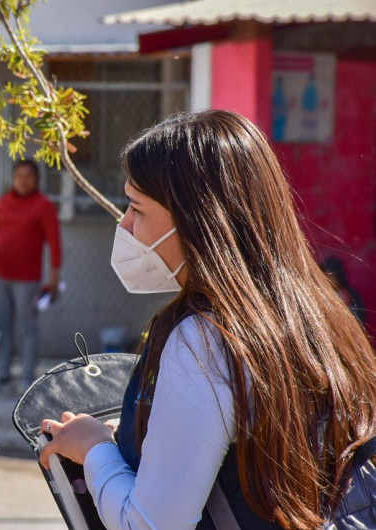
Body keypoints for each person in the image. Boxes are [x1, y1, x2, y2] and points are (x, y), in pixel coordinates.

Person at [39, 110, 376, 529]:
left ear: (197, 220)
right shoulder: (319, 314)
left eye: (136, 208)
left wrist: (94, 449)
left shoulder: (204, 341)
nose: (124, 225)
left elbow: (148, 523)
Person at [0, 160, 62, 392]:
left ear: (37, 179)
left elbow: (55, 244)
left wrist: (54, 276)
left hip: (27, 279)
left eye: (28, 176)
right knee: (4, 328)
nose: (23, 180)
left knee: (27, 328)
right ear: (13, 178)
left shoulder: (44, 206)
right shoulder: (2, 203)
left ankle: (27, 380)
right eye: (19, 176)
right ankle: (3, 377)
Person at [319, 255, 367, 324]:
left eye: (331, 276)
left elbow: (361, 316)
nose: (327, 280)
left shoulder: (350, 295)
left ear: (338, 277)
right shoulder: (321, 295)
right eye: (324, 276)